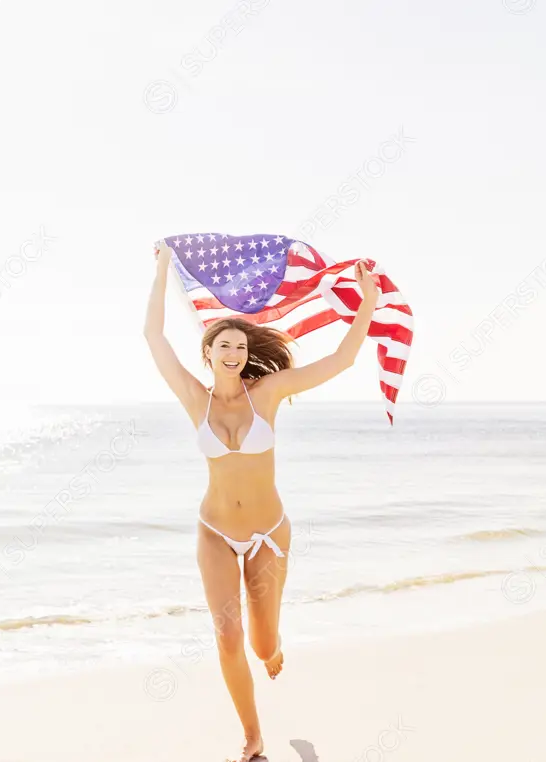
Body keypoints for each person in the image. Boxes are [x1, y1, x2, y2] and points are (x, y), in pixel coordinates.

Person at [143, 239, 380, 761]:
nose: (233, 354)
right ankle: (252, 739)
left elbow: (340, 360)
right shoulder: (193, 397)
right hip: (215, 532)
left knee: (261, 644)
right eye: (223, 346)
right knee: (227, 638)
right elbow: (154, 336)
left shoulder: (267, 392)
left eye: (240, 348)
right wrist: (163, 265)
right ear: (207, 353)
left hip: (271, 531)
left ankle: (274, 647)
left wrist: (367, 302)